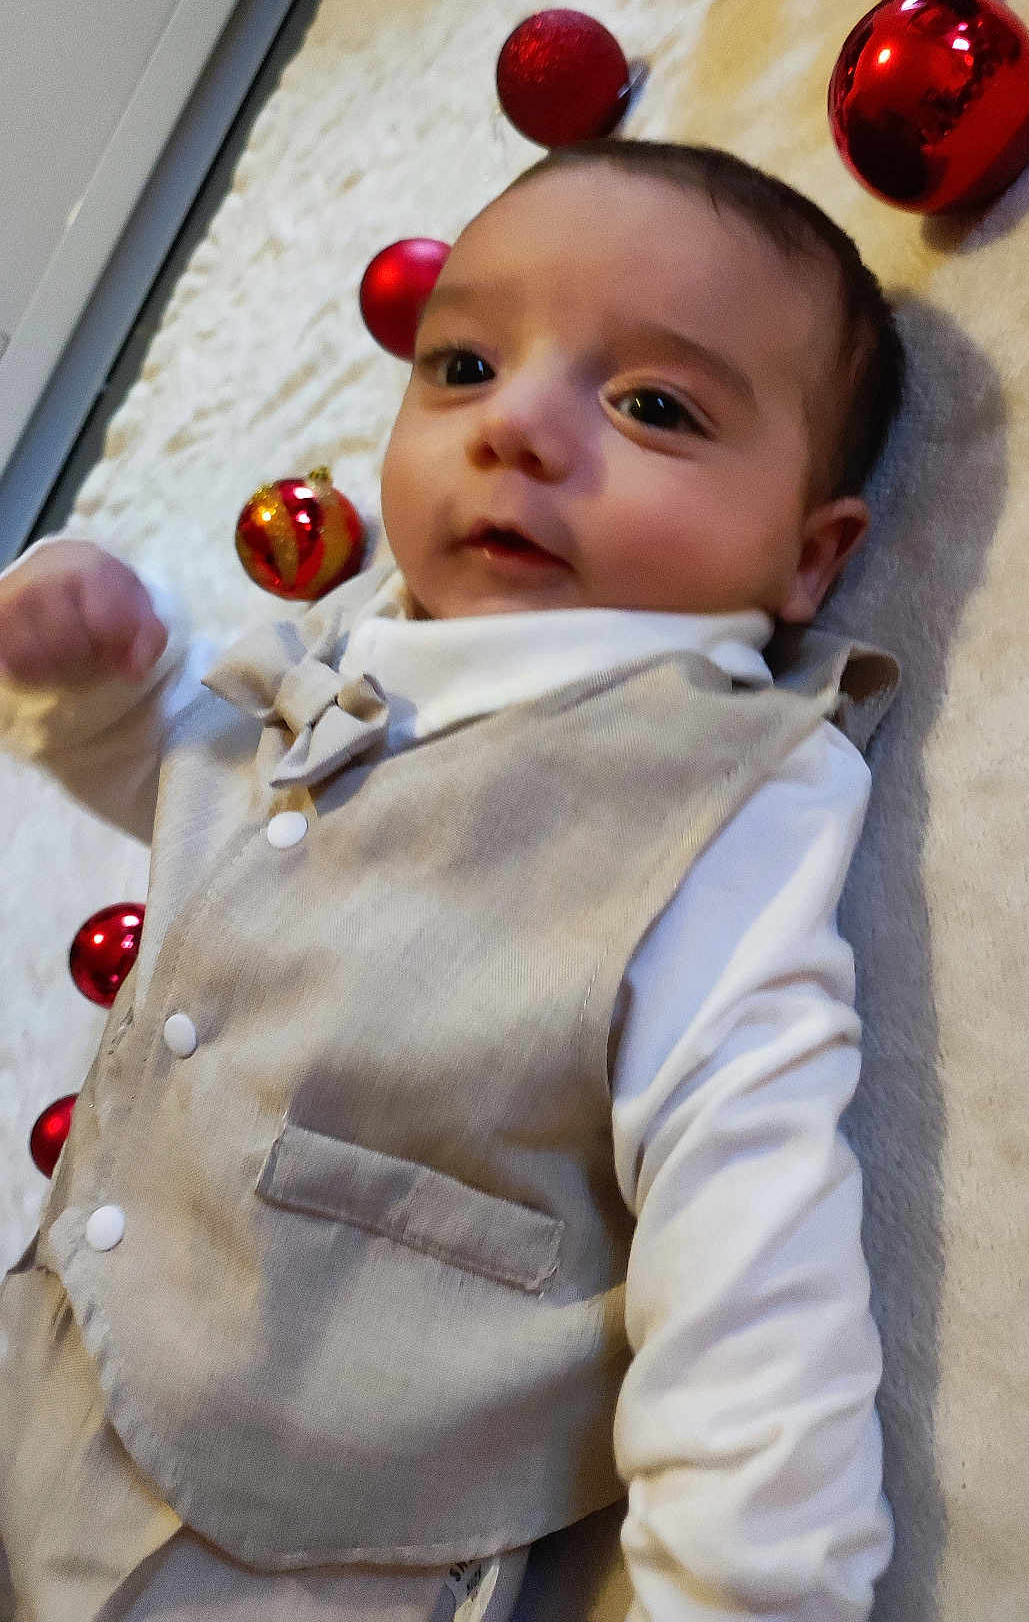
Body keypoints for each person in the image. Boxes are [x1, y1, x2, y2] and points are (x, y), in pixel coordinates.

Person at [0, 139, 905, 1622]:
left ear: (811, 560)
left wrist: (748, 1587)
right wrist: (110, 680)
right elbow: (207, 812)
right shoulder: (363, 640)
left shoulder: (722, 784)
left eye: (654, 407)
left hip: (311, 1519)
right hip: (55, 1364)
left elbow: (752, 1216)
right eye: (465, 364)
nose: (522, 429)